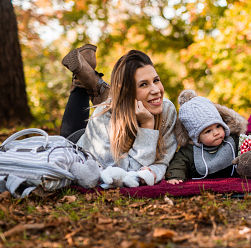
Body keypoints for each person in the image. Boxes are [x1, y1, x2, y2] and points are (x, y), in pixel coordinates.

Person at [59, 46, 177, 184]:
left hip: (114, 119)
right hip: (81, 146)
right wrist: (147, 126)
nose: (156, 90)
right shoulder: (102, 118)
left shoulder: (167, 109)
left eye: (156, 80)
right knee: (65, 141)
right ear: (126, 92)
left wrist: (154, 173)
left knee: (110, 106)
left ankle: (99, 87)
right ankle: (80, 83)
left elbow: (164, 160)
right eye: (144, 84)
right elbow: (125, 175)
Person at [166, 90, 241, 184]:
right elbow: (179, 163)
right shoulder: (190, 151)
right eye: (208, 131)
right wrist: (175, 176)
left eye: (218, 126)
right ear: (197, 137)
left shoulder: (232, 141)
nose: (216, 133)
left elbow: (247, 150)